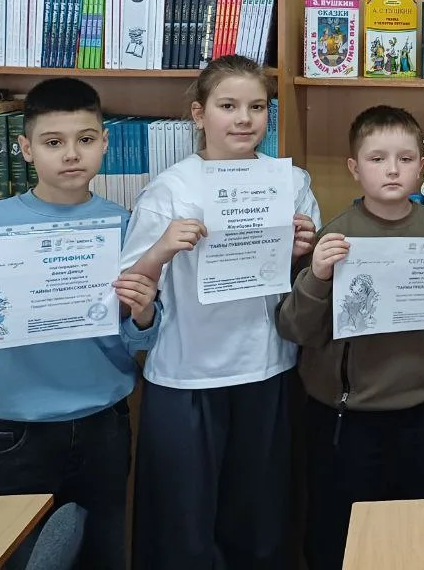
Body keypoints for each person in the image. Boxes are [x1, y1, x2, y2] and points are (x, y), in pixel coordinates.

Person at [0, 78, 160, 570]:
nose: (71, 154)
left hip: (102, 422)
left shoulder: (123, 225)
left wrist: (143, 313)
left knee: (101, 553)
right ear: (25, 149)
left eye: (85, 139)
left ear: (105, 143)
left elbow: (139, 337)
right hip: (12, 430)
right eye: (53, 142)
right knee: (6, 554)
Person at [121, 55, 321, 570]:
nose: (244, 119)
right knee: (183, 532)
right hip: (187, 375)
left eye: (257, 107)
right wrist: (162, 248)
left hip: (266, 369)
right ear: (199, 113)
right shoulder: (171, 189)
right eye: (228, 106)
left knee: (261, 525)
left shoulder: (290, 182)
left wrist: (303, 250)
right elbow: (130, 291)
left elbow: (307, 285)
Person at [277, 105, 424, 570]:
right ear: (354, 168)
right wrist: (317, 275)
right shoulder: (337, 236)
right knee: (340, 536)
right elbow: (295, 329)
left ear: (422, 167)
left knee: (417, 531)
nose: (392, 169)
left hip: (420, 410)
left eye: (405, 159)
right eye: (377, 159)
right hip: (346, 418)